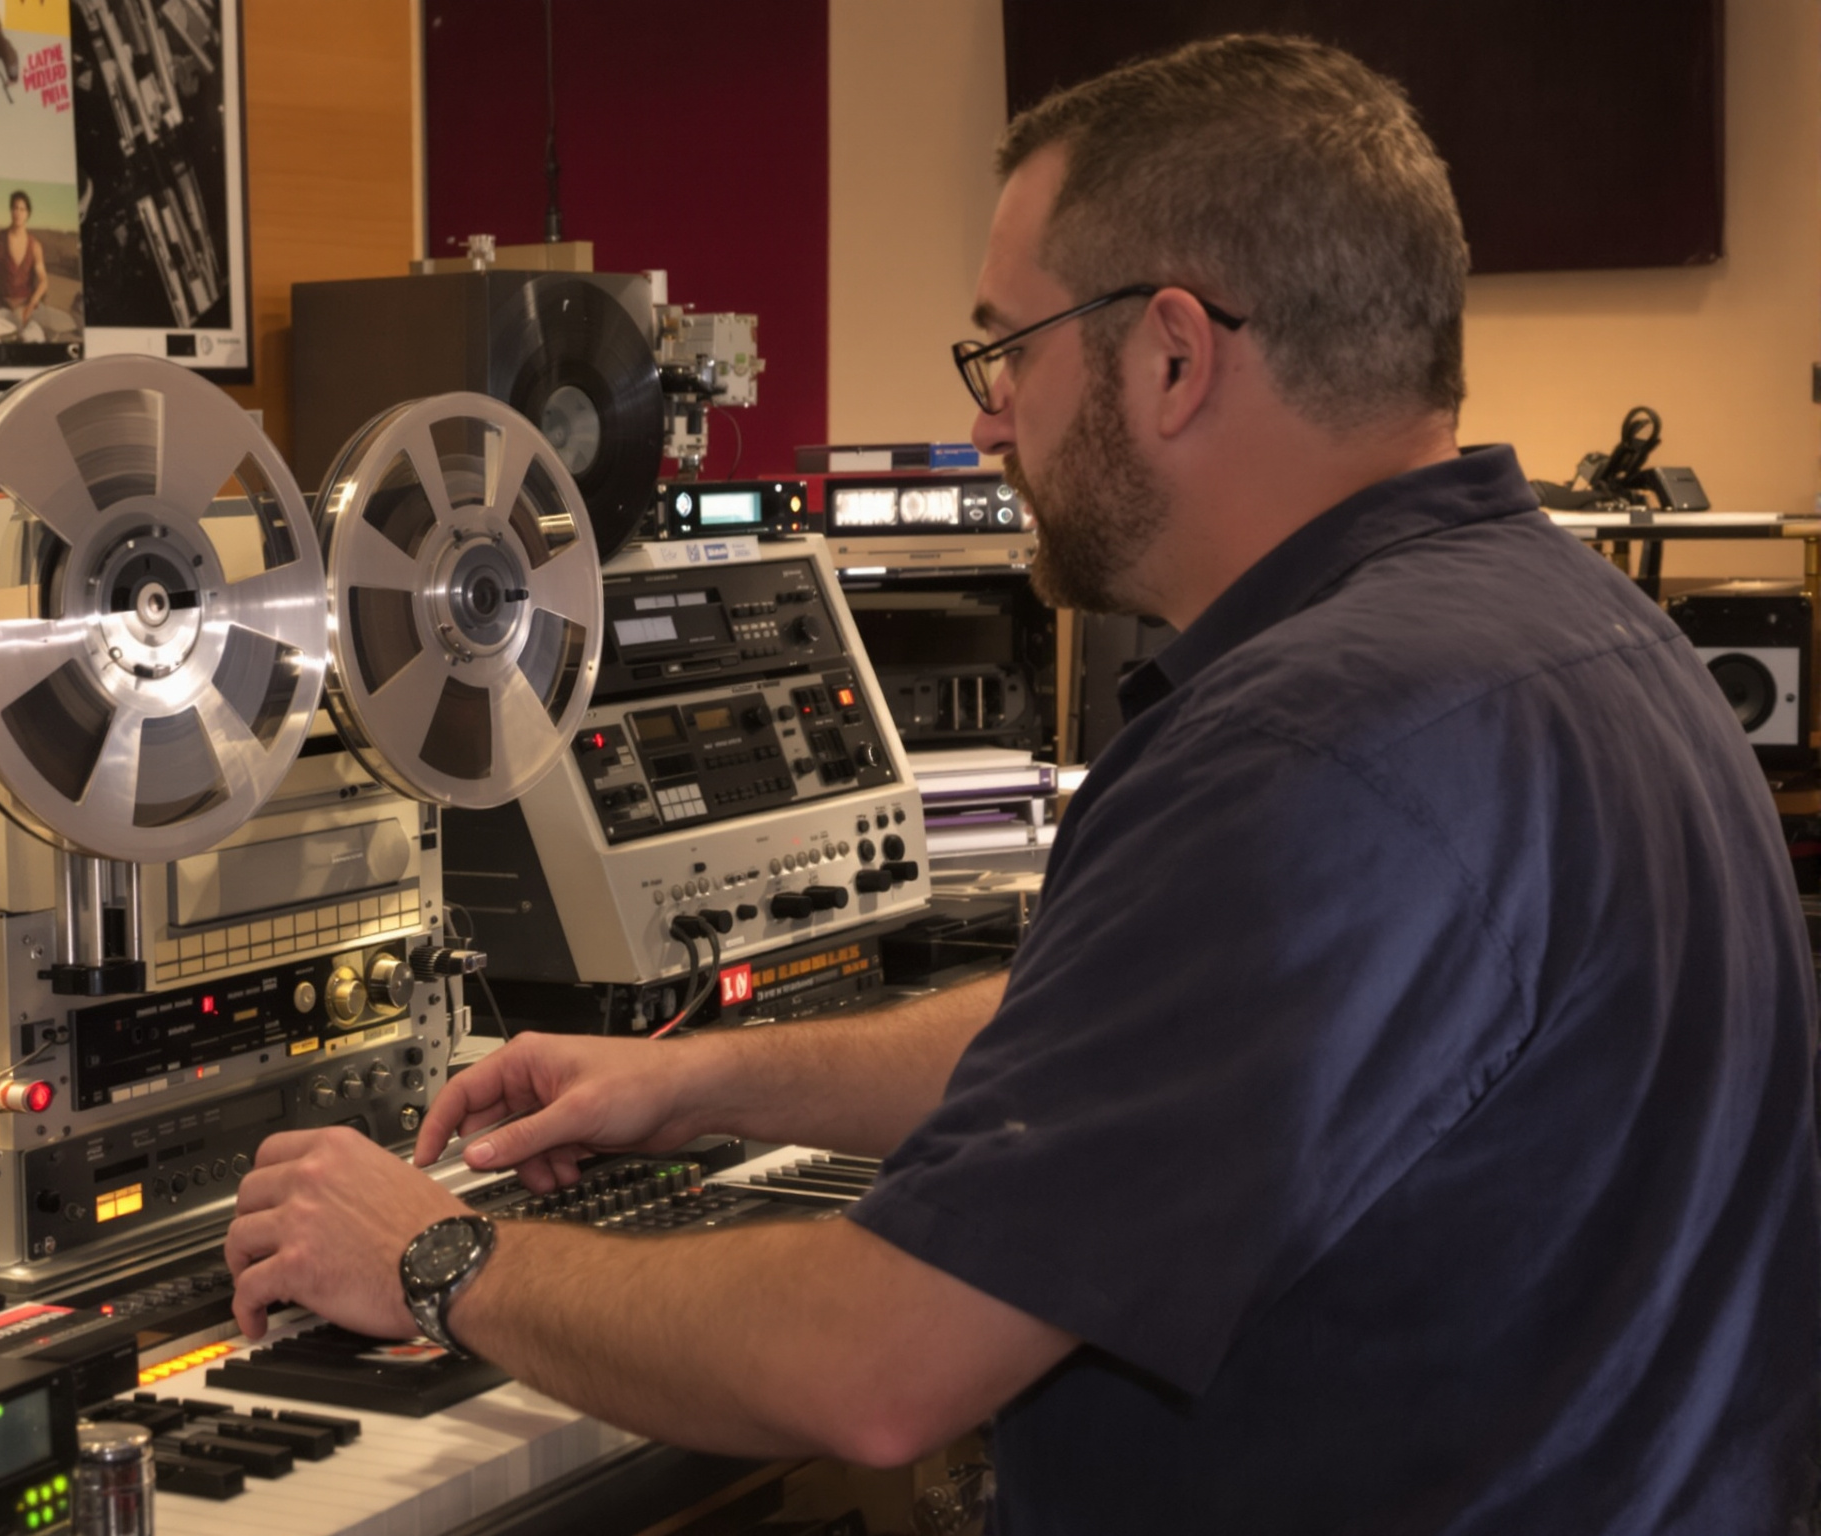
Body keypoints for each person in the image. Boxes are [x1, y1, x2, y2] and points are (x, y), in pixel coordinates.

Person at [221, 34, 1820, 1532]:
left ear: (1175, 356)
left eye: (1006, 351)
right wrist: (700, 1079)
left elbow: (874, 1368)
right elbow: (1153, 1042)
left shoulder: (1307, 751)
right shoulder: (1579, 630)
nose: (986, 418)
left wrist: (436, 1256)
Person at [0, 188, 71, 343]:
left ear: (28, 213)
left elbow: (43, 281)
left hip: (27, 307)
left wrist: (30, 306)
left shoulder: (35, 246)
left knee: (33, 337)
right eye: (15, 208)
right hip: (1, 305)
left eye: (22, 209)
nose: (18, 213)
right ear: (11, 211)